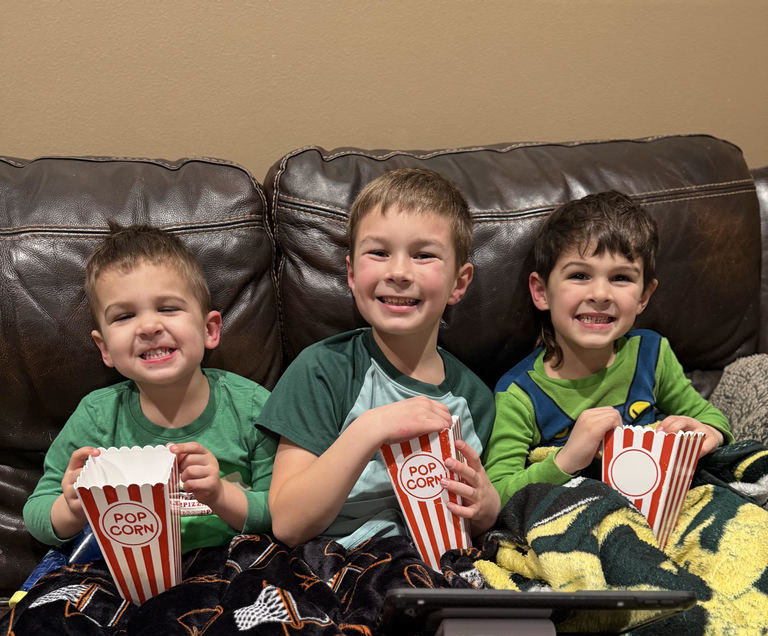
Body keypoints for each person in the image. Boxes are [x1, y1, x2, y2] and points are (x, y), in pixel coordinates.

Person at [256, 167, 500, 552]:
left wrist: (486, 509)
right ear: (352, 273)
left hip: (436, 564)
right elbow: (288, 523)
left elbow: (473, 519)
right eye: (379, 253)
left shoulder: (477, 400)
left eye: (423, 255)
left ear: (459, 282)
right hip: (337, 559)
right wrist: (372, 429)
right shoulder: (323, 370)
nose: (398, 272)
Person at [23, 223, 276, 556]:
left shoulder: (253, 407)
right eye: (124, 316)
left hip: (230, 561)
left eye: (168, 308)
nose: (148, 327)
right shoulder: (97, 416)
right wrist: (72, 508)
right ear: (105, 349)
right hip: (125, 564)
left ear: (209, 329)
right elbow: (37, 514)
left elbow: (280, 509)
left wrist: (219, 494)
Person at [483, 190, 733, 508]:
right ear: (541, 292)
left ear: (644, 296)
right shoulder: (519, 395)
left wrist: (707, 432)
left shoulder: (651, 354)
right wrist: (567, 459)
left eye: (621, 278)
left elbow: (709, 417)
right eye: (579, 275)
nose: (600, 294)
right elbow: (497, 495)